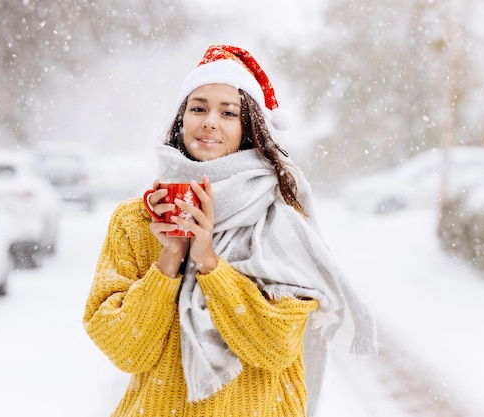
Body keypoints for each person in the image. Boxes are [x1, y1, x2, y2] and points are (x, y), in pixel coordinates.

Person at [83, 44, 377, 417]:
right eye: (199, 108)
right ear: (181, 119)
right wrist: (170, 258)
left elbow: (274, 347)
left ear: (248, 128)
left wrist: (208, 262)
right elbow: (124, 348)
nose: (210, 122)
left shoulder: (280, 223)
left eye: (228, 113)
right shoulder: (136, 220)